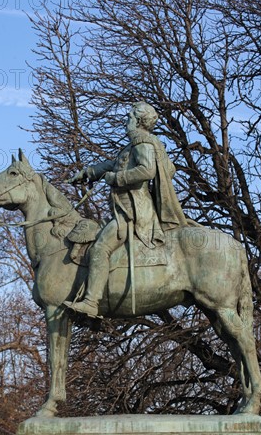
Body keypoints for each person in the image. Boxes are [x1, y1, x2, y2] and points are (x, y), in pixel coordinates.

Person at [64, 101, 187, 317]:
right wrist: (89, 172)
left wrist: (117, 179)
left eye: (130, 116)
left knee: (100, 247)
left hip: (133, 213)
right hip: (125, 209)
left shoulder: (142, 143)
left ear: (139, 121)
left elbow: (147, 171)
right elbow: (112, 164)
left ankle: (91, 302)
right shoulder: (132, 146)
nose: (126, 119)